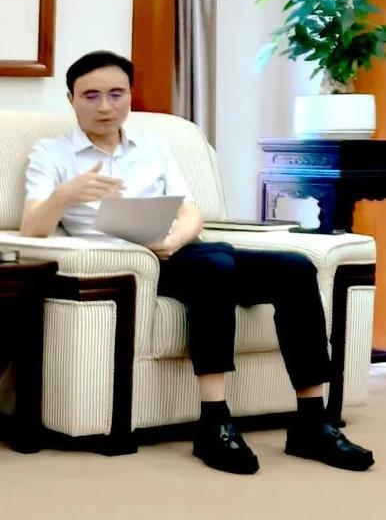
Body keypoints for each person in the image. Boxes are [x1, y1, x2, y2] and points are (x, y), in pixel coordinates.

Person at [19, 50, 374, 475]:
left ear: (130, 95)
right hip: (129, 268)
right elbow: (31, 228)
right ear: (71, 99)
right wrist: (65, 195)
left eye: (116, 94)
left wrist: (174, 239)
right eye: (91, 96)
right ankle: (214, 421)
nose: (105, 106)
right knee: (215, 268)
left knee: (295, 267)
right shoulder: (52, 153)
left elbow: (190, 210)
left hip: (180, 251)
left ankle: (312, 423)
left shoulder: (153, 145)